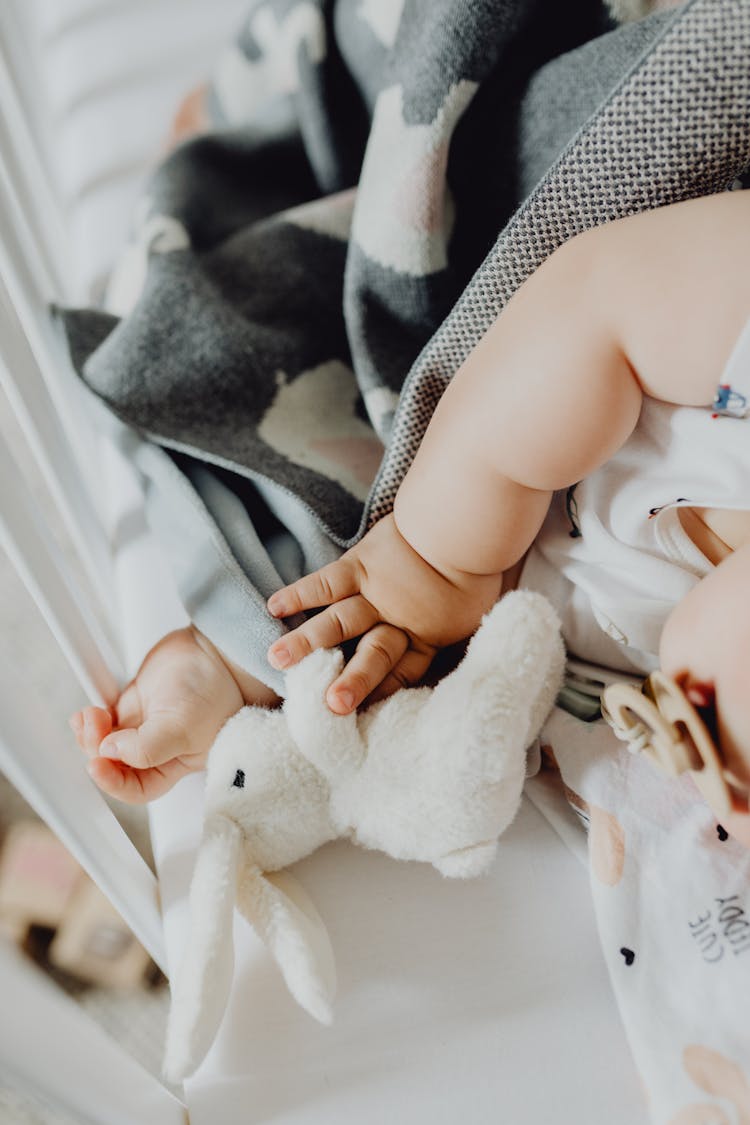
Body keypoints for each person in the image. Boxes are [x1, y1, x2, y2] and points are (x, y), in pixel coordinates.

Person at [69, 190, 750, 843]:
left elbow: (440, 639)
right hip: (480, 325)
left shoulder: (672, 650)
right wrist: (437, 552)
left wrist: (249, 674)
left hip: (481, 552)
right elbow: (600, 296)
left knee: (352, 613)